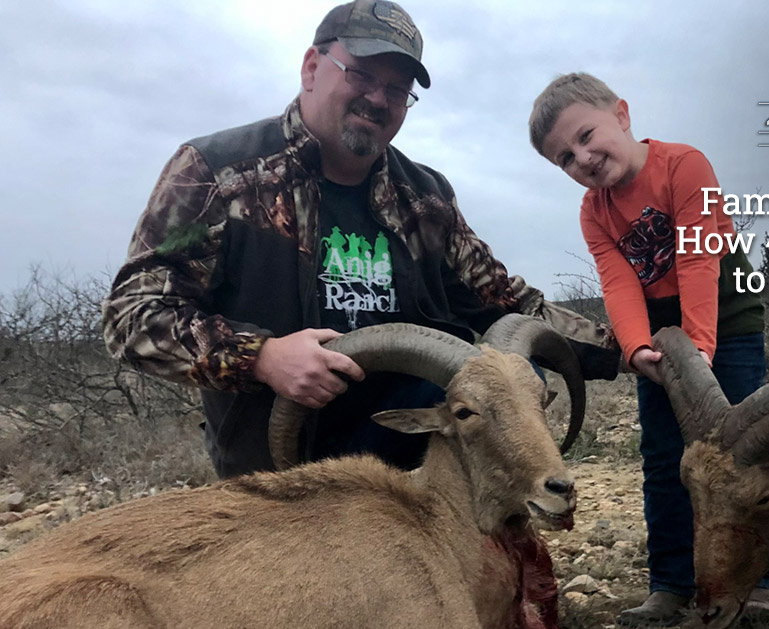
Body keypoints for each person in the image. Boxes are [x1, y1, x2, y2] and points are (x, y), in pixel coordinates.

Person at [102, 1, 619, 480]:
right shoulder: (218, 172)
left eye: (397, 90)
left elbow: (508, 303)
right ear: (311, 67)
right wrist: (263, 357)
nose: (378, 98)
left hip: (407, 453)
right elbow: (133, 313)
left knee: (509, 372)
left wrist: (630, 347)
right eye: (363, 75)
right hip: (281, 461)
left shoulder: (426, 198)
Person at [529, 73, 769, 625]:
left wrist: (698, 350)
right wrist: (635, 347)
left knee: (745, 453)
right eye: (565, 159)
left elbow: (698, 260)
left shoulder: (684, 165)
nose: (583, 158)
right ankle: (670, 583)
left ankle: (766, 582)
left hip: (727, 315)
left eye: (585, 135)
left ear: (621, 114)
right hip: (660, 338)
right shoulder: (593, 212)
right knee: (665, 459)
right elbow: (618, 284)